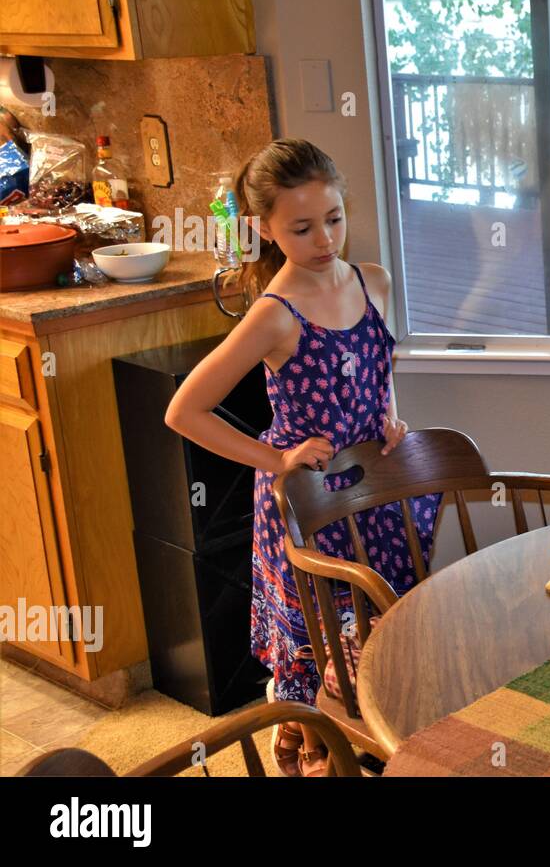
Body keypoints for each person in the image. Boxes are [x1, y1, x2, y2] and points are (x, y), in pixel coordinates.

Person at [165, 139, 439, 776]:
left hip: (374, 499)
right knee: (324, 664)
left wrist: (390, 415)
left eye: (335, 218)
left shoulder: (374, 282)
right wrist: (274, 457)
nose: (326, 239)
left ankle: (351, 749)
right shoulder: (274, 315)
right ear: (265, 229)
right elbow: (184, 411)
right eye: (302, 227)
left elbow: (377, 368)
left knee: (379, 651)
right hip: (310, 509)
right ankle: (312, 748)